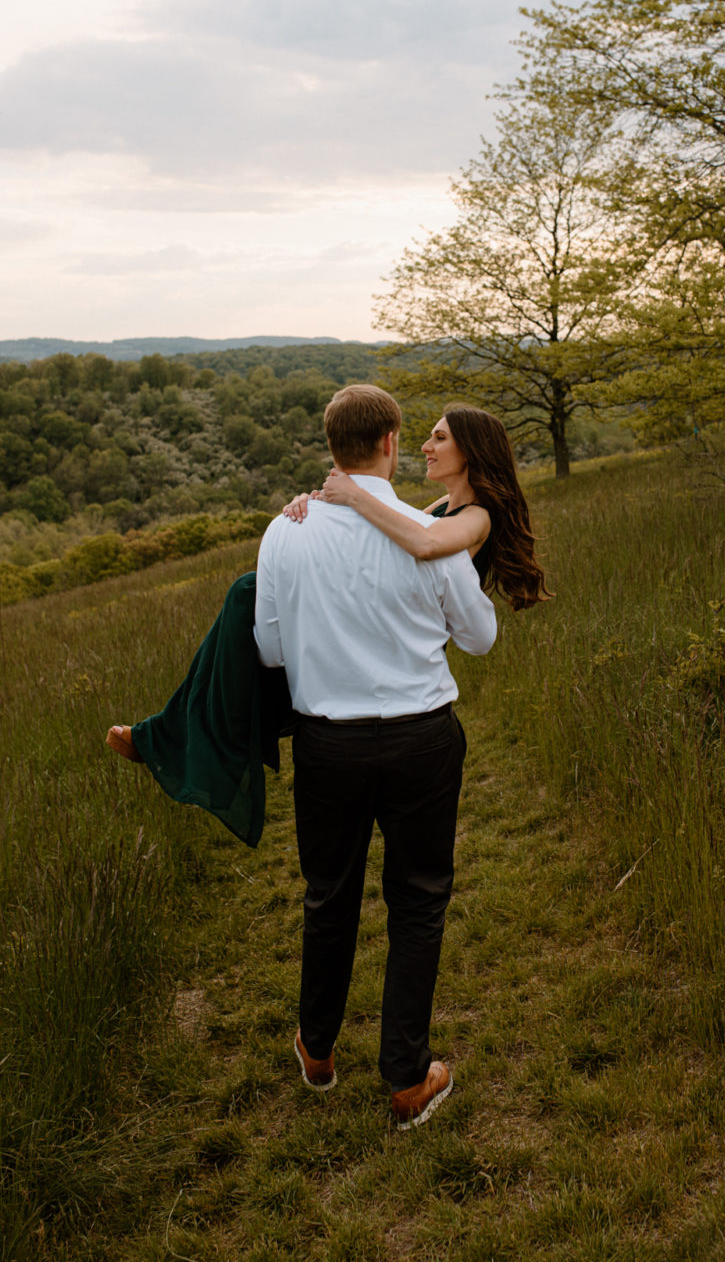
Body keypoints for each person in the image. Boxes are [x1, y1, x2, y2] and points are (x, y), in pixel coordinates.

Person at [255, 385, 503, 1130]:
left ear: (332, 448)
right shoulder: (424, 530)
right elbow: (481, 638)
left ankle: (319, 1050)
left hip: (327, 743)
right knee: (418, 901)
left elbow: (269, 649)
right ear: (391, 442)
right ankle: (404, 1079)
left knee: (329, 894)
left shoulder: (285, 530)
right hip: (420, 738)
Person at [284, 403, 550, 611]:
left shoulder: (478, 517)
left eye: (439, 438)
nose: (426, 447)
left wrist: (353, 495)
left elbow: (426, 543)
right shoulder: (445, 505)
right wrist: (318, 504)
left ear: (471, 450)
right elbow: (390, 531)